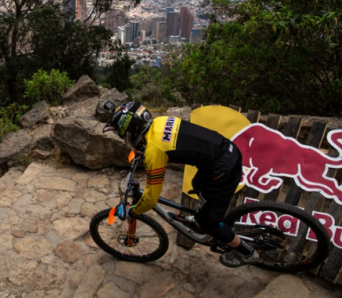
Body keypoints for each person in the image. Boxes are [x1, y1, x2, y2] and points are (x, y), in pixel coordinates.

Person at [102, 101, 259, 268]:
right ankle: (202, 214)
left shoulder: (155, 151)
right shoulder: (161, 121)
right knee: (197, 183)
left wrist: (132, 211)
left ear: (131, 131)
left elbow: (151, 199)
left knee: (210, 223)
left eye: (122, 134)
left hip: (223, 170)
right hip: (226, 150)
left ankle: (247, 252)